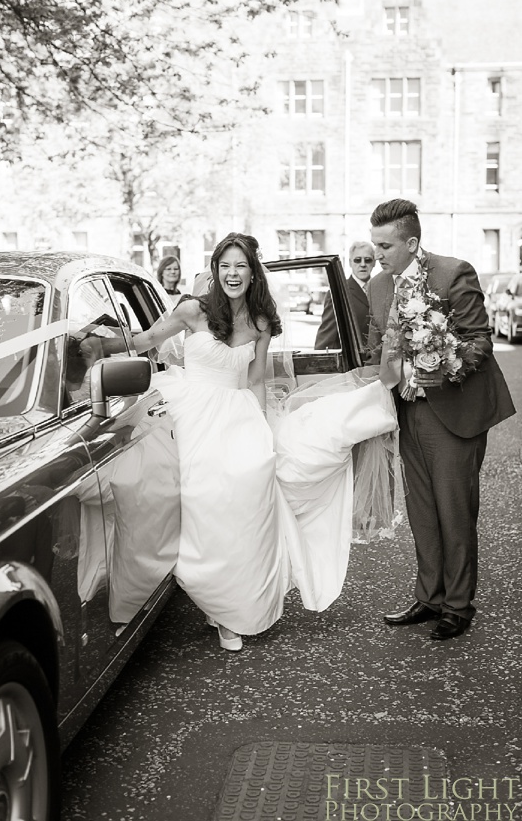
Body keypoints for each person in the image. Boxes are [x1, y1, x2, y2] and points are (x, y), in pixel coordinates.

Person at [126, 233, 398, 652]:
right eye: (225, 266)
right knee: (204, 498)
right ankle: (211, 597)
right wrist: (96, 347)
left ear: (253, 273)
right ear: (215, 271)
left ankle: (234, 602)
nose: (233, 274)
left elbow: (255, 379)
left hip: (236, 413)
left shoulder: (260, 321)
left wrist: (261, 427)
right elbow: (144, 342)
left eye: (241, 266)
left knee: (248, 495)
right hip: (190, 410)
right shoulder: (192, 310)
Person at [366, 199, 515, 640]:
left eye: (386, 246)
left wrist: (445, 365)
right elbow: (377, 348)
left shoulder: (453, 273)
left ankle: (458, 605)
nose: (379, 255)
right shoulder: (377, 287)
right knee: (422, 508)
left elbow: (479, 339)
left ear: (412, 243)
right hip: (406, 411)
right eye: (375, 245)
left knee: (454, 508)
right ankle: (429, 596)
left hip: (454, 409)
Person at [315, 242, 374, 350]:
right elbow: (327, 336)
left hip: (381, 363)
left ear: (374, 263)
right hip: (353, 363)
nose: (363, 264)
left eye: (368, 260)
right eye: (357, 260)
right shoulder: (339, 291)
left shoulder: (382, 288)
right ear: (350, 262)